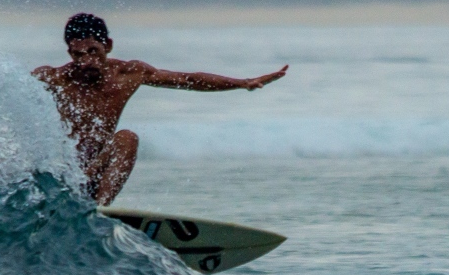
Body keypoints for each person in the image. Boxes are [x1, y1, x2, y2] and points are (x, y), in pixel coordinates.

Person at [33, 13, 288, 203]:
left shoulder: (128, 74)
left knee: (127, 139)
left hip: (97, 174)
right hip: (61, 176)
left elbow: (188, 80)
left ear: (108, 46)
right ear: (69, 52)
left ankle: (100, 211)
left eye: (93, 51)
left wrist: (243, 83)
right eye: (78, 55)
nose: (87, 61)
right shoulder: (51, 79)